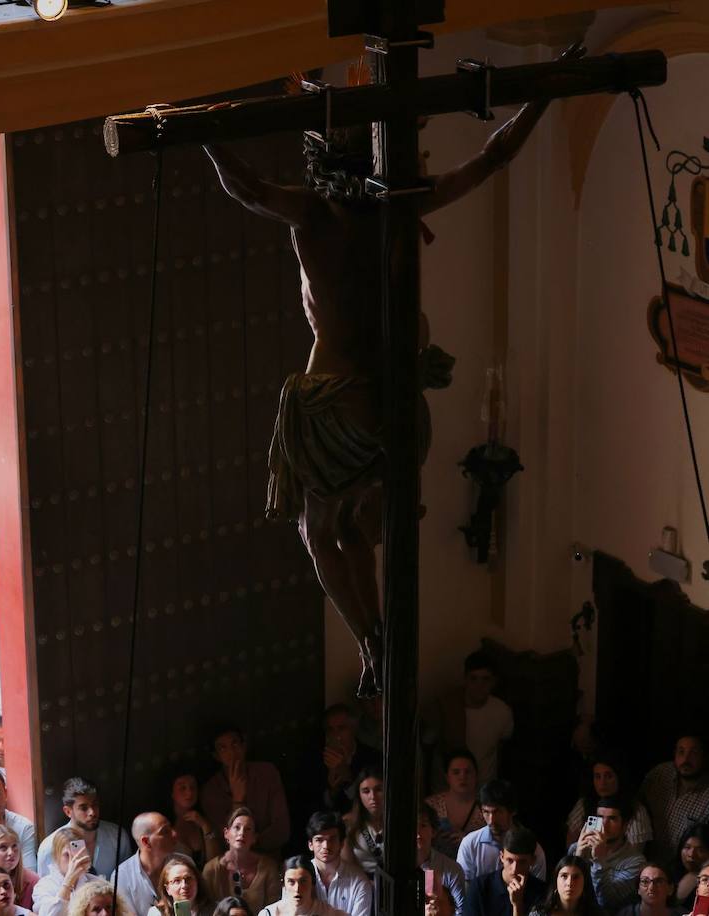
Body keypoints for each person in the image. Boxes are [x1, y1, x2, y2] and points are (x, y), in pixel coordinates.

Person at [202, 64, 572, 694]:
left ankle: (372, 637)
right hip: (401, 407)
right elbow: (493, 156)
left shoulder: (310, 214)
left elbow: (246, 188)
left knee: (319, 532)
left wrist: (204, 130)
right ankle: (380, 643)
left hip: (335, 405)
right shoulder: (402, 201)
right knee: (353, 529)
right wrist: (548, 89)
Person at [424, 651, 513, 786]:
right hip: (449, 788)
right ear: (465, 679)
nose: (479, 686)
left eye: (485, 679)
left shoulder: (502, 712)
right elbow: (428, 745)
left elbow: (500, 747)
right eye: (473, 679)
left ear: (493, 682)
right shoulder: (447, 706)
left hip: (482, 788)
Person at [201, 729, 291, 857]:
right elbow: (226, 842)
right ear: (216, 755)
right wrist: (238, 800)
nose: (231, 752)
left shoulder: (266, 773)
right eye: (223, 748)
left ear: (244, 746)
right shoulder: (211, 791)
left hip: (270, 859)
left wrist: (249, 842)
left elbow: (282, 829)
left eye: (235, 744)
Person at [37, 778, 131, 881]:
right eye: (83, 808)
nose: (92, 812)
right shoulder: (50, 847)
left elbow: (127, 881)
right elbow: (46, 889)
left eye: (95, 805)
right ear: (68, 811)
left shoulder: (117, 836)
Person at [640, 734, 709, 864]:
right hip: (645, 861)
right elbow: (636, 807)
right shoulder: (660, 774)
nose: (686, 759)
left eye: (693, 753)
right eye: (681, 752)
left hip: (684, 868)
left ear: (704, 757)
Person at [458, 781, 547, 882]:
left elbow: (538, 891)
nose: (491, 820)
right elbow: (466, 889)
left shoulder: (533, 849)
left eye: (498, 812)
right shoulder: (470, 844)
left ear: (512, 811)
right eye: (486, 812)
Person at [568, 796, 645, 911]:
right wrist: (578, 857)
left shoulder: (636, 862)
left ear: (625, 826)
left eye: (612, 819)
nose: (604, 824)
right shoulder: (577, 848)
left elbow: (606, 902)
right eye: (600, 818)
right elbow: (565, 890)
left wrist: (599, 860)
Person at [565, 752, 653, 851]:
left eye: (608, 776)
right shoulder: (584, 804)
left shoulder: (636, 810)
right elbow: (571, 845)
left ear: (619, 777)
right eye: (598, 777)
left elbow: (634, 854)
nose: (602, 783)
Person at [200, 808, 279, 912]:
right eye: (237, 827)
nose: (241, 833)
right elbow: (206, 909)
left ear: (254, 837)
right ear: (226, 833)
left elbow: (274, 910)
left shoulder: (268, 868)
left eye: (248, 829)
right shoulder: (211, 870)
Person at [463, 827, 546, 916]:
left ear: (532, 861)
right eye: (510, 860)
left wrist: (517, 905)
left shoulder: (541, 892)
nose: (514, 869)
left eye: (522, 862)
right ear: (501, 857)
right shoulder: (480, 887)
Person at [302, 812, 371, 916]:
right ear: (310, 844)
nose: (326, 846)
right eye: (319, 840)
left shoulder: (359, 881)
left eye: (332, 839)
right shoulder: (296, 878)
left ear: (342, 843)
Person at [426, 749, 485, 860]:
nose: (462, 777)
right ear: (447, 777)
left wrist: (468, 841)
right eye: (456, 772)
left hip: (471, 872)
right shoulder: (431, 805)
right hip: (434, 870)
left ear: (476, 776)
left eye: (468, 772)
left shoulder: (487, 810)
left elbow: (498, 846)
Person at [117, 813, 179, 916]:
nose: (174, 834)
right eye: (165, 831)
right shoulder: (122, 876)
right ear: (146, 842)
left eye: (171, 828)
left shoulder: (183, 863)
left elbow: (197, 906)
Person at [416, 806, 466, 916]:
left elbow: (461, 912)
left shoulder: (453, 870)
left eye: (423, 825)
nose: (418, 832)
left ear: (433, 831)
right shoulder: (397, 868)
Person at [343, 769, 383, 876]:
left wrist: (428, 889)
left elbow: (426, 863)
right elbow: (347, 866)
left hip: (395, 885)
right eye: (366, 791)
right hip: (362, 885)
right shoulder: (349, 823)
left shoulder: (403, 822)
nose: (373, 797)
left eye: (378, 790)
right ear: (359, 795)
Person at [529, 856, 598, 916]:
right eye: (564, 876)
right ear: (556, 881)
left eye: (576, 877)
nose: (569, 883)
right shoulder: (539, 914)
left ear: (585, 882)